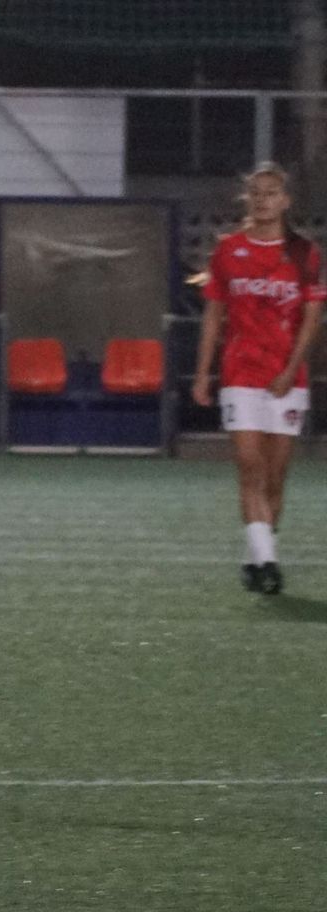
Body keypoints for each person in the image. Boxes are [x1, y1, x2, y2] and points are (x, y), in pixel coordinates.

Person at [192, 162, 323, 595]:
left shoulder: (306, 253)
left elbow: (312, 318)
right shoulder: (229, 250)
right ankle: (267, 563)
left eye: (271, 193)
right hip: (240, 373)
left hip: (287, 377)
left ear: (285, 200)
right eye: (256, 192)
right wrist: (203, 373)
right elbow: (213, 315)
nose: (263, 200)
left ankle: (256, 554)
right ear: (247, 198)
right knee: (249, 468)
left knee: (274, 476)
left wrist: (291, 370)